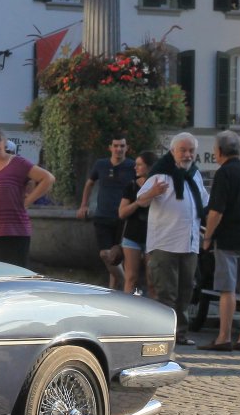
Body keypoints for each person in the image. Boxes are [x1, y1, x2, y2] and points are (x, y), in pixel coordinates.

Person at [136, 132, 208, 344]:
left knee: (186, 292)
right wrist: (153, 192)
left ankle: (181, 334)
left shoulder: (194, 174)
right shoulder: (161, 173)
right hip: (165, 243)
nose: (187, 155)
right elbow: (140, 200)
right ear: (173, 151)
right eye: (183, 150)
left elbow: (204, 201)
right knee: (166, 294)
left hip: (189, 244)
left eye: (191, 151)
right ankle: (164, 336)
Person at [201, 130, 240, 352]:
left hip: (227, 238)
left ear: (220, 151)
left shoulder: (224, 174)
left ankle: (224, 337)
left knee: (227, 289)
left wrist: (208, 237)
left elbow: (216, 212)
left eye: (214, 150)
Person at [0, 128, 54, 267]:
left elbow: (48, 178)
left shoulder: (18, 163)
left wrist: (28, 200)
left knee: (12, 276)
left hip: (13, 231)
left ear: (5, 143)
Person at [77, 134, 136, 290]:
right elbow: (89, 184)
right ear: (110, 148)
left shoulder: (132, 166)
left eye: (122, 146)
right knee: (105, 254)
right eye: (115, 146)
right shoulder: (101, 164)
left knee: (117, 257)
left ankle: (113, 292)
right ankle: (127, 285)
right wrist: (84, 205)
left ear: (127, 148)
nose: (119, 149)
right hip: (103, 215)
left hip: (124, 217)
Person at [117, 150, 158, 297]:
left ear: (149, 167)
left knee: (152, 280)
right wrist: (137, 203)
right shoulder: (132, 186)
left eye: (139, 165)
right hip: (132, 236)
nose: (135, 168)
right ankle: (127, 306)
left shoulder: (158, 187)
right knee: (131, 277)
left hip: (152, 237)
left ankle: (152, 308)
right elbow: (122, 213)